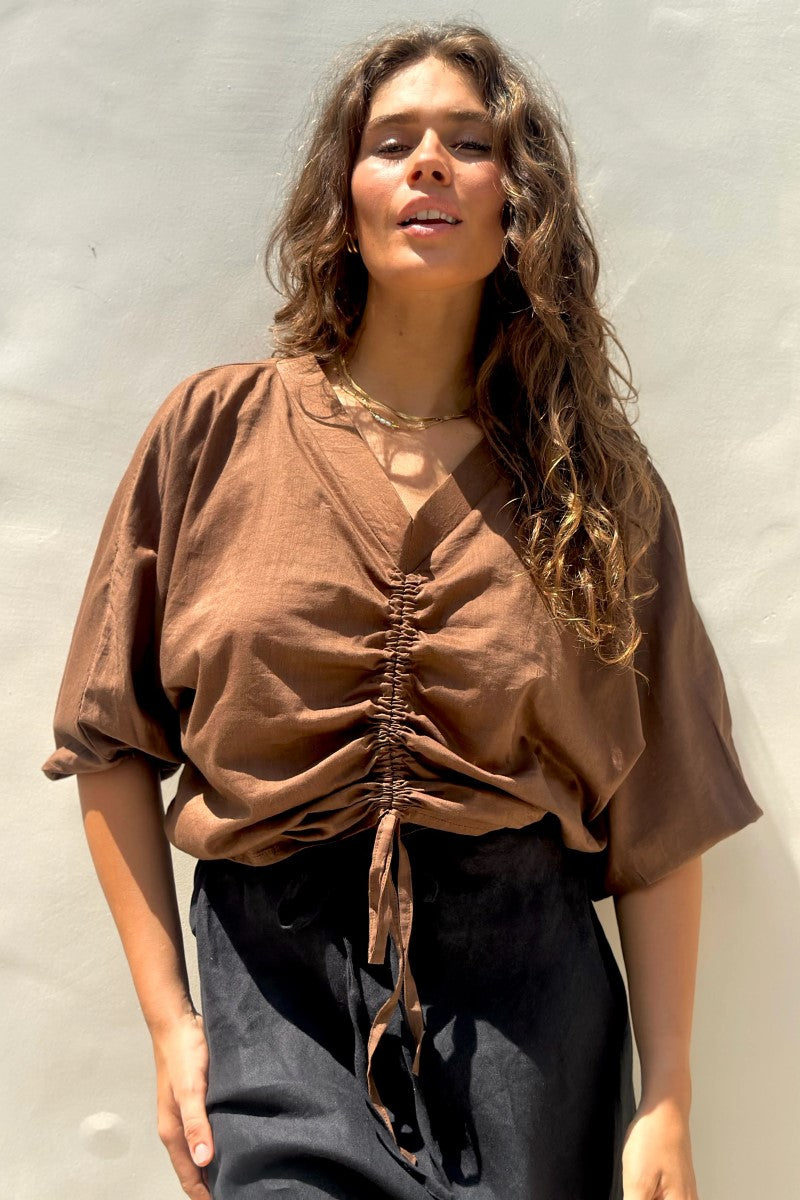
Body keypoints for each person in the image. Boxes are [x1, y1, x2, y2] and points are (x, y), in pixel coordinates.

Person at [41, 21, 763, 1200]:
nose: (428, 162)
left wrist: (666, 1093)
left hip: (528, 1024)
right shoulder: (216, 433)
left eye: (468, 142)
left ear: (514, 196)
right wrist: (172, 1026)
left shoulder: (594, 486)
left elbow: (660, 809)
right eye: (391, 143)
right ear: (347, 195)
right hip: (273, 1002)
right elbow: (110, 742)